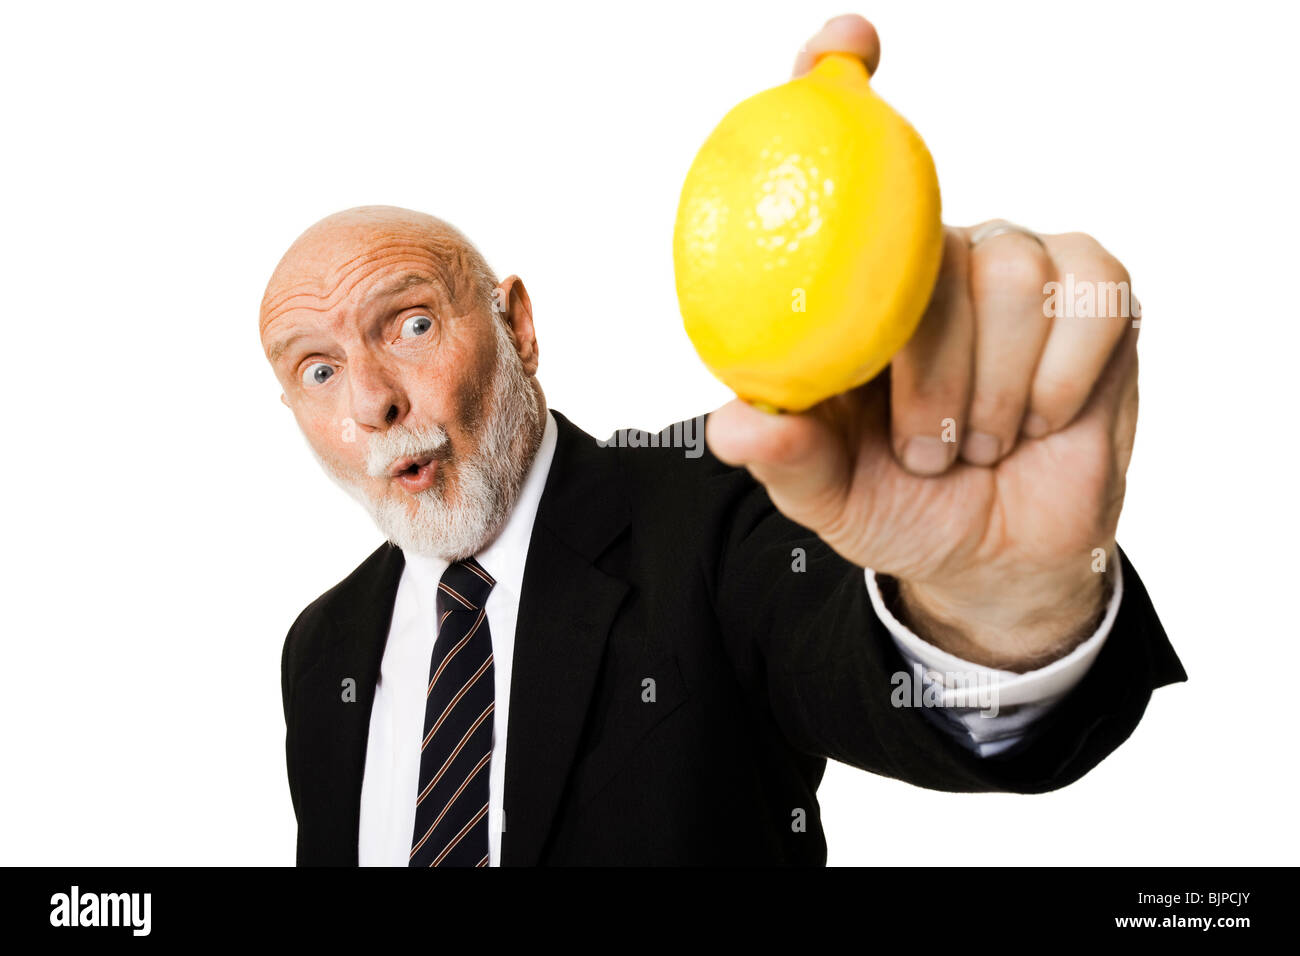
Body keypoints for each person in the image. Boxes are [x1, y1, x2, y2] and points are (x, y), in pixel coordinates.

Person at [260, 15, 1185, 866]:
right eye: (317, 369)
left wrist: (998, 604)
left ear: (519, 329)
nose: (373, 399)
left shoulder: (716, 500)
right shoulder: (322, 652)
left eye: (411, 325)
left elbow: (886, 686)